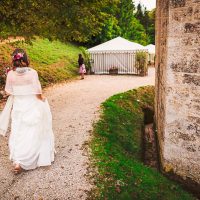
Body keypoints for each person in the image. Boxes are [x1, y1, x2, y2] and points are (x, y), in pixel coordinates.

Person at [0, 48, 55, 174]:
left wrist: (17, 86)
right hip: (32, 106)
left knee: (18, 133)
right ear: (25, 59)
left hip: (18, 108)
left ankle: (18, 161)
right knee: (32, 133)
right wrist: (43, 99)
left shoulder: (10, 74)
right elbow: (37, 92)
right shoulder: (32, 73)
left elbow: (8, 92)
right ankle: (31, 157)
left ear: (13, 60)